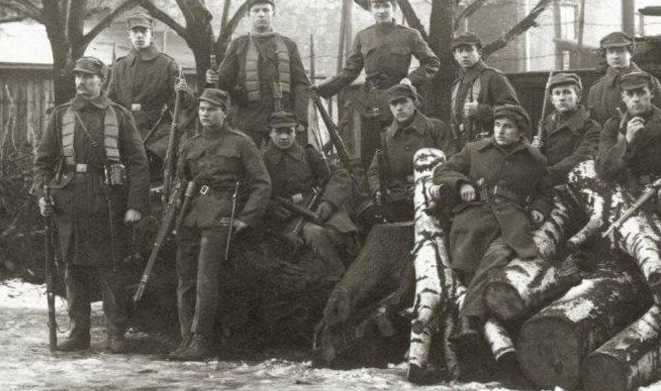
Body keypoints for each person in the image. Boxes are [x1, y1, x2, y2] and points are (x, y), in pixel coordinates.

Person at [33, 57, 150, 353]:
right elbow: (43, 161)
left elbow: (138, 162)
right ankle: (78, 333)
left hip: (108, 197)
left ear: (102, 81)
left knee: (110, 267)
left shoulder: (119, 115)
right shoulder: (61, 115)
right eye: (78, 77)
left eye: (88, 77)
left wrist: (135, 204)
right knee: (73, 268)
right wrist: (42, 195)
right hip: (69, 198)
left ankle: (116, 334)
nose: (81, 82)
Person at [432, 104, 551, 353]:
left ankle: (468, 321)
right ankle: (480, 331)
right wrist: (462, 182)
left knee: (497, 257)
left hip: (511, 222)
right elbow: (444, 170)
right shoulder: (475, 150)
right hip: (474, 219)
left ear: (520, 131)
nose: (500, 131)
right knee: (472, 270)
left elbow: (544, 191)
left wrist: (539, 207)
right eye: (498, 125)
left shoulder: (534, 158)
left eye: (507, 127)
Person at [169, 88, 271, 361]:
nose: (205, 114)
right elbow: (179, 181)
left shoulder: (241, 144)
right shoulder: (190, 144)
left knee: (205, 279)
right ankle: (186, 338)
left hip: (221, 215)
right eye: (202, 109)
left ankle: (202, 340)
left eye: (212, 109)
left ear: (225, 112)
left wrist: (245, 218)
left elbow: (262, 184)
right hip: (190, 216)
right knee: (186, 278)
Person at [316, 0, 440, 168]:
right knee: (371, 153)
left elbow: (432, 62)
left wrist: (410, 80)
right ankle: (375, 192)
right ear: (370, 9)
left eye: (386, 5)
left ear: (394, 7)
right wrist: (323, 89)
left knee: (400, 150)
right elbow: (350, 71)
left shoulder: (409, 34)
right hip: (371, 103)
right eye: (377, 6)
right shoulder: (363, 36)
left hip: (399, 101)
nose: (381, 10)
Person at [263, 111, 357, 282]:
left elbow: (340, 175)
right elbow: (253, 190)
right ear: (270, 132)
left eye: (289, 132)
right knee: (316, 234)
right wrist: (271, 207)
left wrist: (329, 202)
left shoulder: (308, 154)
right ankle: (340, 276)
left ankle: (353, 270)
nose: (284, 137)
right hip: (286, 216)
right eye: (278, 132)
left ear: (295, 132)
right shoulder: (261, 161)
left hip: (315, 207)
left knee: (338, 233)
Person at [206, 0, 311, 144]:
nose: (261, 15)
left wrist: (301, 120)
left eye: (266, 10)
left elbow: (301, 83)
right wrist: (213, 78)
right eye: (256, 11)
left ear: (273, 13)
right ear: (249, 14)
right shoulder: (238, 45)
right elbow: (224, 81)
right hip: (247, 119)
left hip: (283, 118)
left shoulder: (289, 45)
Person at [596, 71, 661, 228]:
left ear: (652, 93)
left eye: (641, 92)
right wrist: (627, 141)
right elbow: (603, 169)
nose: (635, 99)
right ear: (623, 97)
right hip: (627, 193)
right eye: (630, 94)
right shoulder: (613, 127)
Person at [108, 13, 194, 177]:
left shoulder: (166, 64)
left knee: (152, 177)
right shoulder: (120, 65)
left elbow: (184, 102)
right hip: (125, 128)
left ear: (151, 34)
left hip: (155, 130)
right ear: (129, 35)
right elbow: (110, 100)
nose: (139, 35)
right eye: (135, 32)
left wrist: (182, 92)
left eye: (144, 31)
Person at [366, 83, 453, 223]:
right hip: (398, 199)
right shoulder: (386, 136)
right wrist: (378, 190)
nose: (399, 108)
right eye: (394, 104)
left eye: (404, 102)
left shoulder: (436, 128)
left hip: (432, 196)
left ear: (415, 103)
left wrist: (427, 186)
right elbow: (374, 171)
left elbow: (450, 162)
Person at [449, 31, 519, 145]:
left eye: (469, 50)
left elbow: (514, 112)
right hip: (461, 148)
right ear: (455, 56)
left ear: (479, 52)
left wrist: (480, 110)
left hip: (490, 146)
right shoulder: (457, 84)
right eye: (460, 51)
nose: (465, 55)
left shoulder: (494, 77)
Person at [586, 31, 661, 124]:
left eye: (620, 51)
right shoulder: (596, 89)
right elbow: (594, 127)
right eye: (611, 52)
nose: (615, 56)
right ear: (605, 55)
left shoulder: (649, 82)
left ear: (630, 53)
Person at [533, 72, 600, 186]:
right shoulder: (545, 126)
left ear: (578, 97)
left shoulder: (590, 127)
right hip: (547, 186)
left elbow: (581, 158)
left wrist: (546, 176)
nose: (562, 98)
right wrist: (534, 151)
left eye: (567, 92)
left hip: (575, 185)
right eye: (557, 93)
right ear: (552, 99)